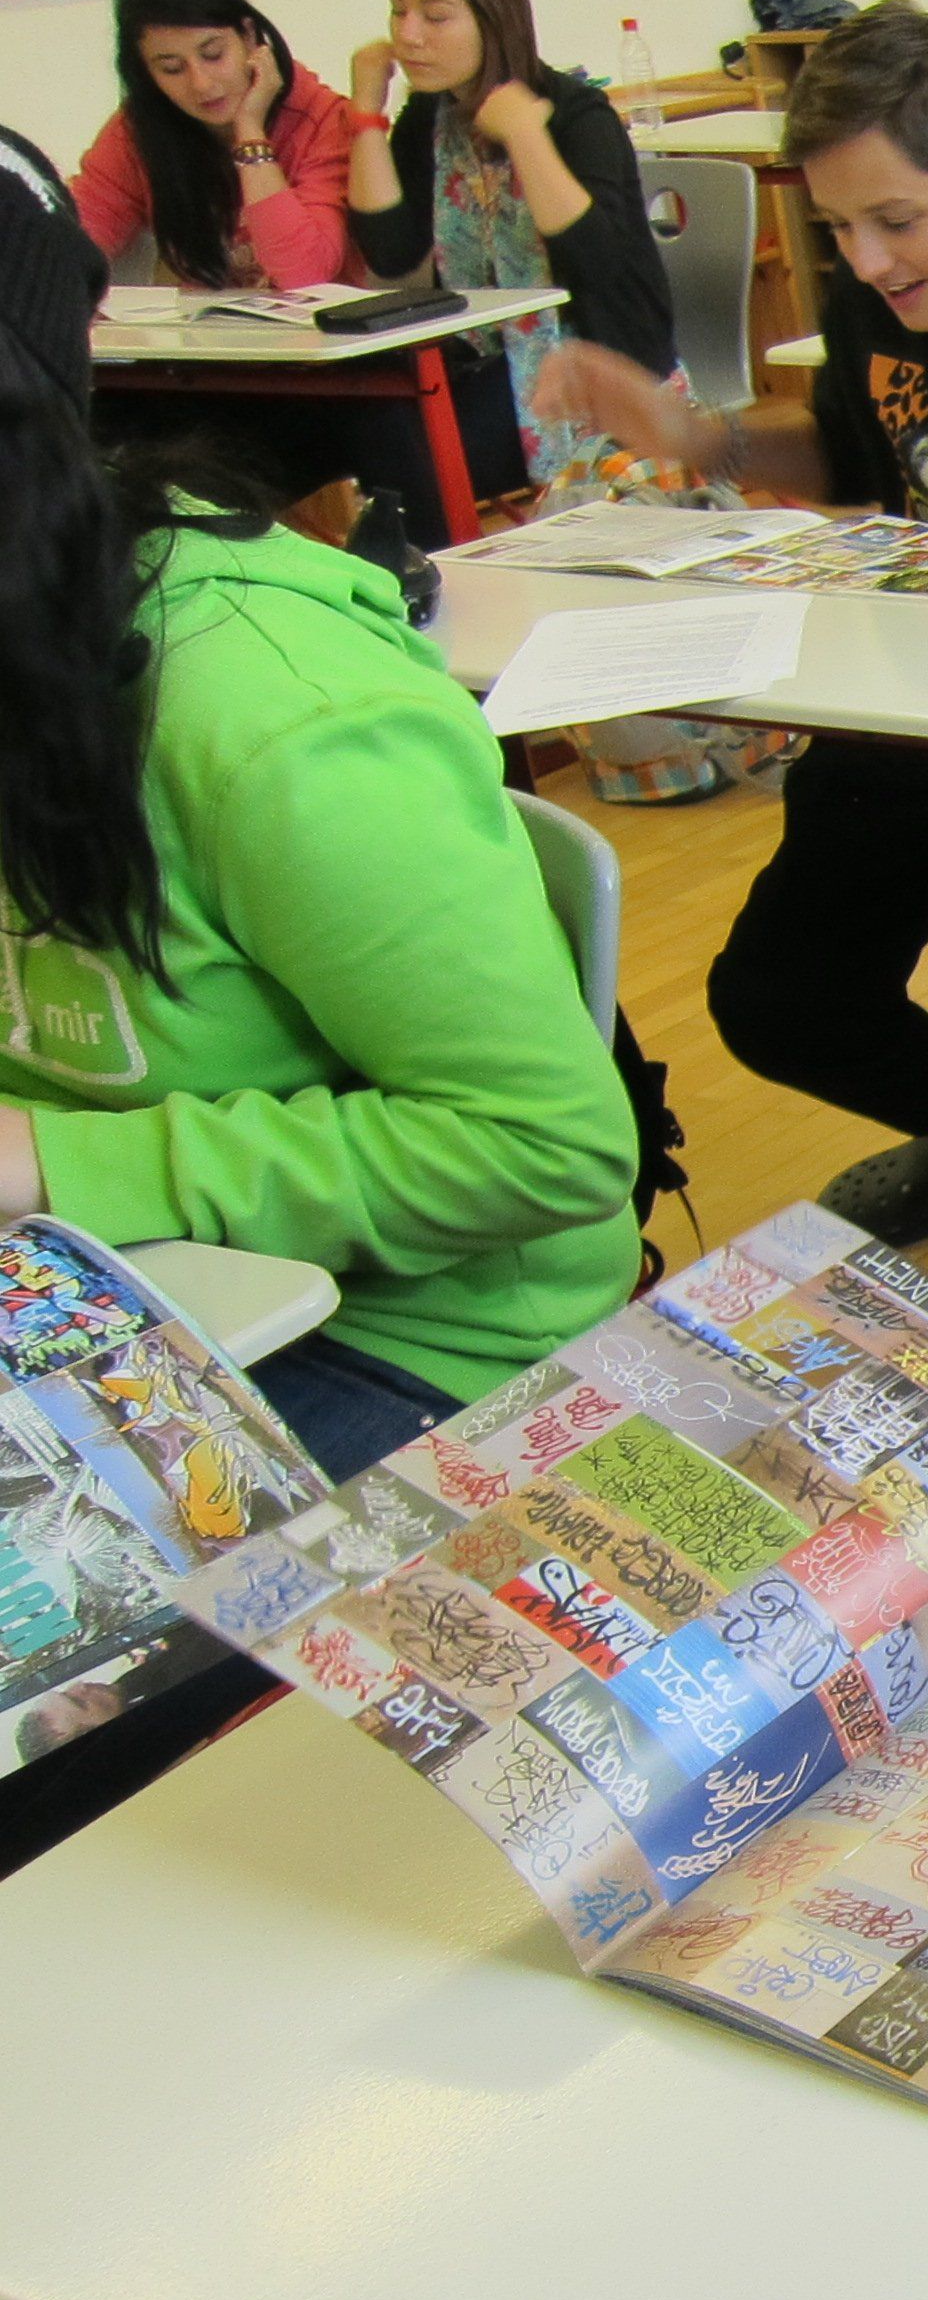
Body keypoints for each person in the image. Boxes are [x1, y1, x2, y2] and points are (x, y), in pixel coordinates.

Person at [0, 128, 637, 1481]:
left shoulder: (270, 713)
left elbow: (546, 1148)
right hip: (123, 1268)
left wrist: (58, 1167)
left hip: (402, 1334)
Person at [535, 0, 928, 1270]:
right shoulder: (885, 310)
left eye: (897, 221)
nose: (866, 262)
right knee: (777, 997)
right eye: (835, 231)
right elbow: (850, 453)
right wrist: (701, 440)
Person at [344, 0, 676, 498]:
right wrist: (367, 113)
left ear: (492, 20)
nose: (408, 36)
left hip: (597, 372)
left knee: (410, 453)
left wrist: (526, 137)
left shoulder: (578, 115)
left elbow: (596, 263)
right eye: (398, 11)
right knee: (368, 427)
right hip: (484, 363)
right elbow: (390, 251)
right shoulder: (430, 118)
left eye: (435, 16)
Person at [71, 0, 359, 291]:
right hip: (203, 323)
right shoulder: (139, 130)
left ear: (248, 36)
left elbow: (304, 275)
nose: (201, 84)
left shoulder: (323, 118)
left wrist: (249, 131)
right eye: (172, 68)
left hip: (323, 323)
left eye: (213, 54)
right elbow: (70, 245)